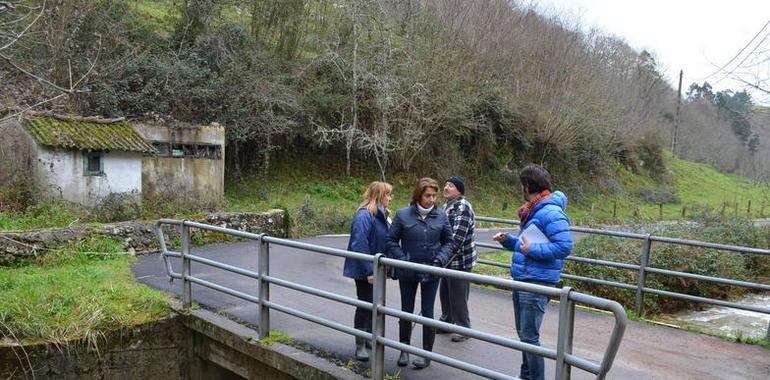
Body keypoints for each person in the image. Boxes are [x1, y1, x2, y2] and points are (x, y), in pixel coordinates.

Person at [492, 164, 572, 380]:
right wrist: (509, 241)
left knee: (529, 337)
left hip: (536, 281)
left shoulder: (550, 211)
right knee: (524, 336)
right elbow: (526, 244)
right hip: (525, 278)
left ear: (527, 186)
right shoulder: (534, 210)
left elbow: (564, 247)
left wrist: (532, 249)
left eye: (522, 184)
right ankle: (526, 377)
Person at [387, 177, 453, 369]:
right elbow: (391, 240)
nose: (431, 199)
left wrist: (440, 259)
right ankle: (404, 349)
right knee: (406, 310)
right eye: (427, 196)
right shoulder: (402, 215)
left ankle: (426, 355)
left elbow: (449, 241)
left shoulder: (441, 216)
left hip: (431, 270)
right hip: (408, 270)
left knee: (428, 312)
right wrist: (402, 259)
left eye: (434, 195)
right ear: (418, 195)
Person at [343, 181, 393, 362]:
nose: (390, 198)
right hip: (366, 270)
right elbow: (359, 244)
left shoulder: (382, 215)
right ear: (380, 196)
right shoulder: (364, 216)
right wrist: (368, 271)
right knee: (365, 304)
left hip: (376, 269)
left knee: (375, 303)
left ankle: (370, 338)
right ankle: (360, 344)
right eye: (388, 195)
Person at [438, 176, 477, 342]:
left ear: (459, 190)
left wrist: (440, 257)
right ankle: (447, 321)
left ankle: (463, 328)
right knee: (445, 293)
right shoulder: (447, 205)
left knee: (458, 295)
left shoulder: (463, 207)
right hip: (447, 258)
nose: (446, 187)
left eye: (451, 186)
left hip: (459, 260)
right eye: (446, 184)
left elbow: (457, 239)